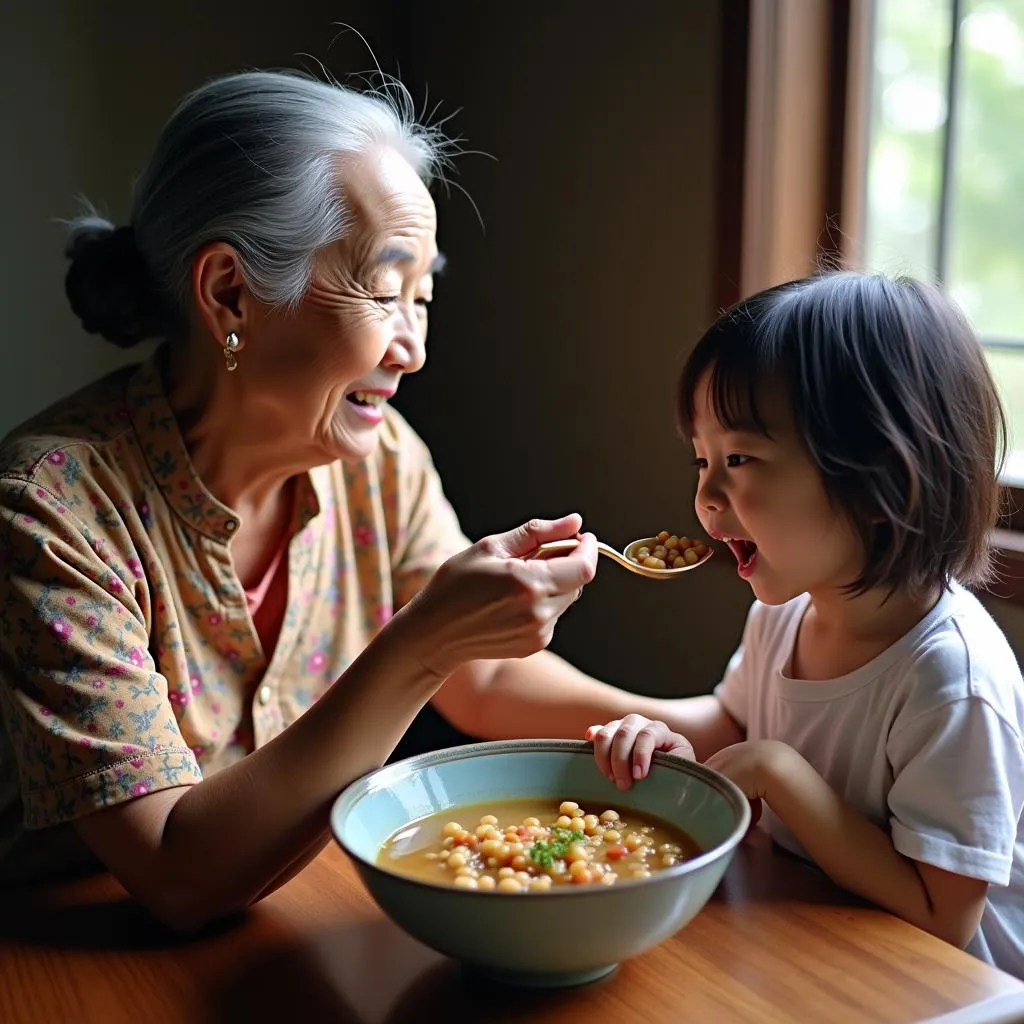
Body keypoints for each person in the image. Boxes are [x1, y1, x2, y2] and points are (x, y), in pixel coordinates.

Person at [0, 70, 697, 927]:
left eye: (423, 299)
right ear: (229, 293)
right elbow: (175, 872)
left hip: (283, 918)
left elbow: (479, 673)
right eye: (383, 289)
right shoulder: (51, 511)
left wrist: (698, 726)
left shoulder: (380, 460)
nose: (413, 350)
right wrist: (420, 643)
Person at [588, 272, 1024, 978]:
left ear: (880, 480)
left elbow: (945, 918)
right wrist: (661, 743)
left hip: (944, 991)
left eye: (739, 459)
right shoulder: (782, 615)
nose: (704, 496)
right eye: (701, 460)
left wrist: (781, 773)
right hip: (816, 940)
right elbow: (735, 728)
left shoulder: (951, 681)